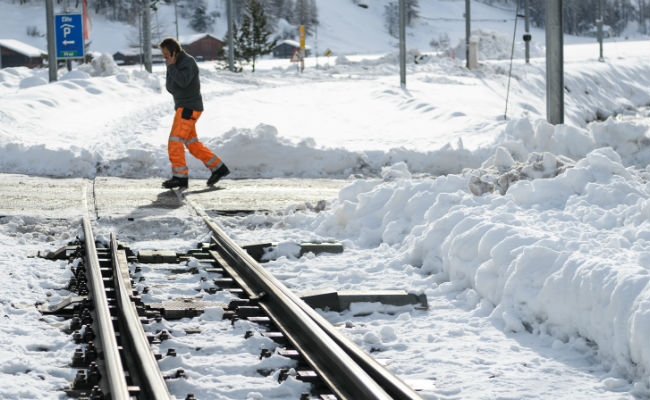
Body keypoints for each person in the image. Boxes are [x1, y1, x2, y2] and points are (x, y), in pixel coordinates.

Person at [159, 37, 229, 189]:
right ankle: (219, 168)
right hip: (184, 107)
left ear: (173, 51)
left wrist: (171, 68)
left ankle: (180, 177)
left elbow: (182, 82)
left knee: (175, 141)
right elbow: (171, 87)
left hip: (188, 108)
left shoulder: (187, 62)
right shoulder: (174, 64)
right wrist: (172, 68)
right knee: (192, 144)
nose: (163, 56)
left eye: (165, 53)